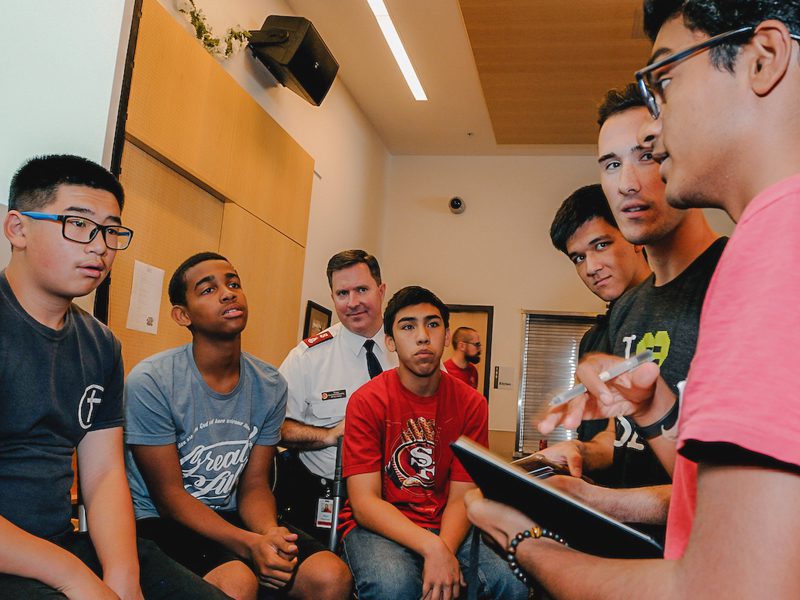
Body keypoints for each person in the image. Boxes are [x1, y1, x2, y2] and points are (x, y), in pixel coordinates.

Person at [467, 2, 800, 597]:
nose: (634, 174)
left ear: (765, 57)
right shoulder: (649, 298)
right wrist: (653, 412)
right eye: (612, 163)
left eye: (665, 81)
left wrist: (524, 539)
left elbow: (723, 587)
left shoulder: (771, 249)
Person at [0, 155, 226, 599]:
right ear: (18, 229)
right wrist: (75, 577)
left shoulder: (101, 345)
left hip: (58, 544)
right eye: (78, 225)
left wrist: (124, 578)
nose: (99, 246)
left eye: (110, 231)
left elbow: (103, 473)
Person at [532, 83, 725, 501]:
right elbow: (620, 442)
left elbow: (734, 497)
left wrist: (606, 504)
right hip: (628, 549)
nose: (627, 183)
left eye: (646, 154)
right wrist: (580, 452)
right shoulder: (628, 311)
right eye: (611, 165)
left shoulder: (736, 275)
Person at [124, 252, 351, 600]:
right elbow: (169, 498)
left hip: (231, 513)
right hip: (159, 522)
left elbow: (255, 484)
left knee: (330, 576)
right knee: (238, 581)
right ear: (182, 315)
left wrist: (268, 535)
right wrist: (250, 545)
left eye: (233, 283)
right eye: (208, 289)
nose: (228, 293)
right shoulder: (152, 381)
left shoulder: (270, 383)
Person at [339, 286, 527, 600]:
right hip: (381, 526)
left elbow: (461, 496)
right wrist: (433, 549)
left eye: (433, 324)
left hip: (447, 522)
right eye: (408, 326)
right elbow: (365, 503)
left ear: (446, 334)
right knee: (396, 588)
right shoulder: (366, 401)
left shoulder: (472, 403)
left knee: (510, 584)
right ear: (390, 342)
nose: (423, 336)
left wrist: (443, 549)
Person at [276, 249, 397, 541]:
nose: (352, 302)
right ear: (332, 298)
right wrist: (328, 435)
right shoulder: (307, 358)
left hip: (400, 496)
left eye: (362, 290)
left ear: (381, 291)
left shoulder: (412, 349)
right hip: (328, 496)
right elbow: (276, 427)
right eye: (342, 293)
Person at [548, 182, 651, 445]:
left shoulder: (678, 318)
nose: (591, 267)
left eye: (601, 245)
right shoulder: (592, 341)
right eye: (578, 258)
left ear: (634, 237)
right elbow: (596, 439)